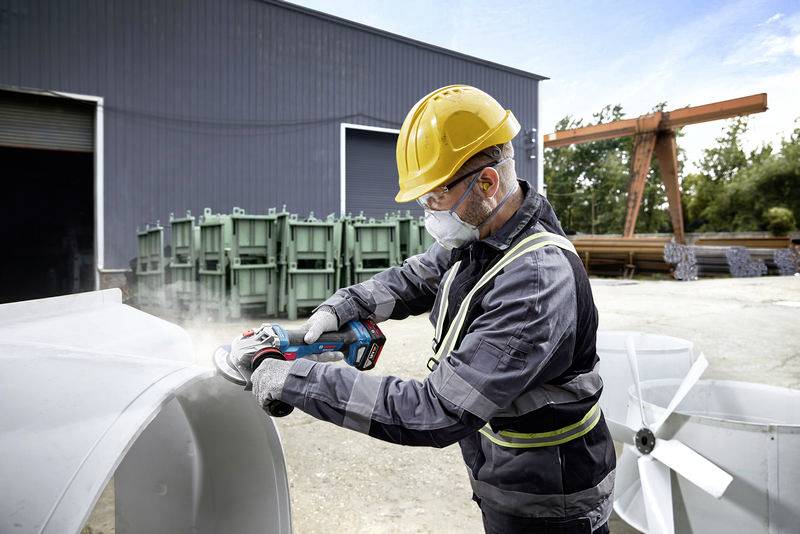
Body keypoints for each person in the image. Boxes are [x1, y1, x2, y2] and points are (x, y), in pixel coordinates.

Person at [234, 85, 615, 533]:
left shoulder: (534, 283)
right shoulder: (485, 234)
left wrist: (295, 379)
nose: (429, 212)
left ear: (487, 183)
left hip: (551, 500)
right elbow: (414, 279)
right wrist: (343, 307)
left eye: (435, 197)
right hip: (510, 474)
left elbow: (436, 411)